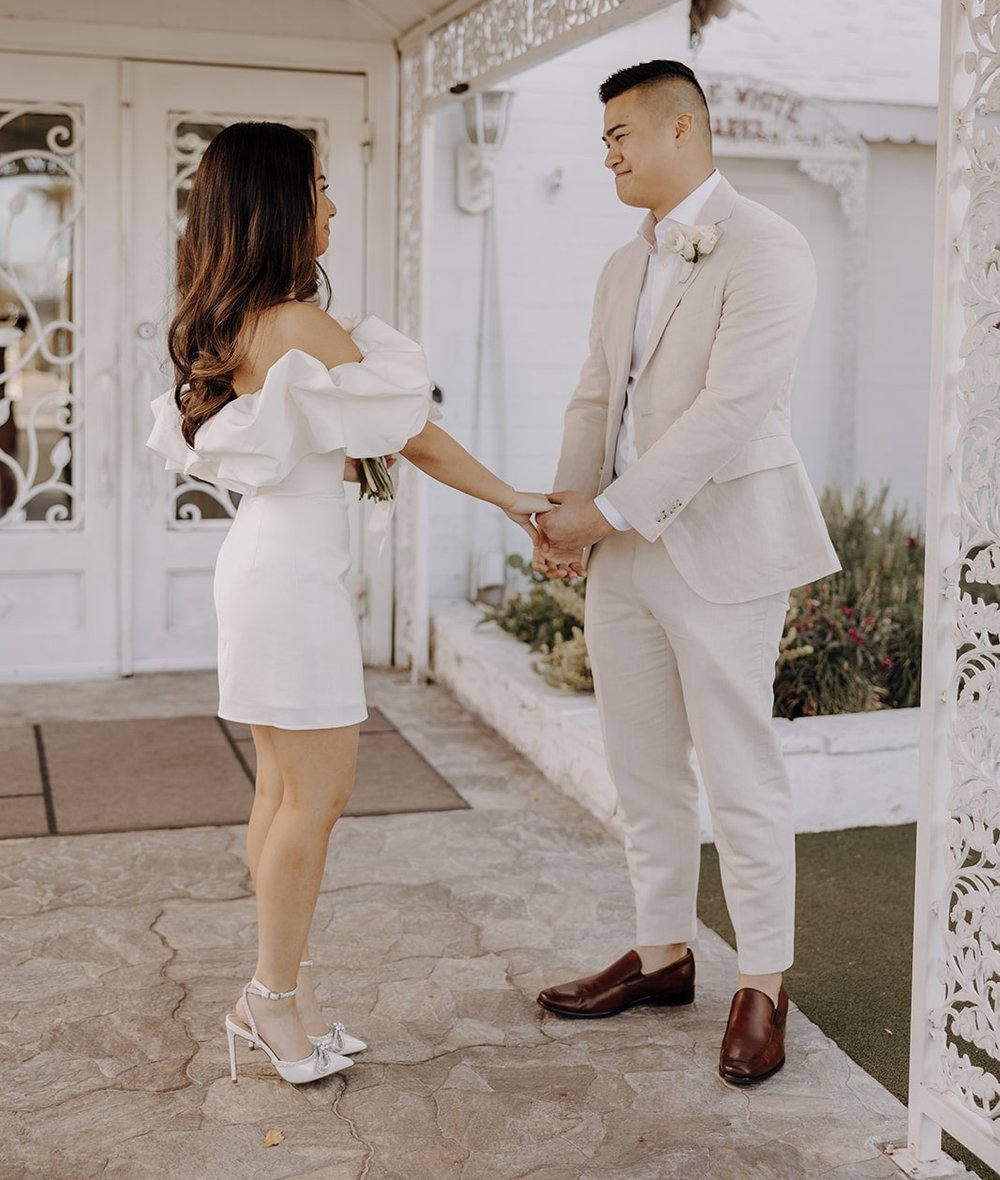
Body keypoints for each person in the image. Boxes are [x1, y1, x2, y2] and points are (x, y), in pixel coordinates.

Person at [147, 121, 550, 1088]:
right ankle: (272, 1000)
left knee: (281, 794)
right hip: (291, 577)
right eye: (320, 186)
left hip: (267, 566)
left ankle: (282, 992)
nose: (332, 203)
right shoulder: (293, 322)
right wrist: (514, 498)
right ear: (278, 203)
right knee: (315, 801)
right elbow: (412, 434)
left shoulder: (238, 318)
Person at [533, 60, 839, 1084]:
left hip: (722, 548)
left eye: (620, 132)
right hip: (623, 554)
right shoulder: (623, 265)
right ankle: (662, 955)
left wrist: (607, 507)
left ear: (681, 129)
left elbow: (732, 410)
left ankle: (762, 980)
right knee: (641, 764)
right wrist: (567, 515)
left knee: (737, 768)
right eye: (604, 137)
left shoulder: (769, 247)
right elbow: (594, 401)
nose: (608, 151)